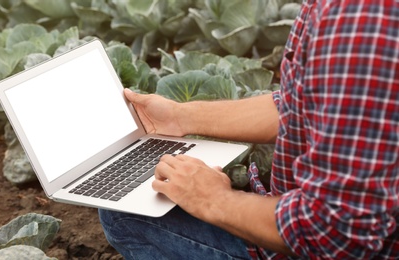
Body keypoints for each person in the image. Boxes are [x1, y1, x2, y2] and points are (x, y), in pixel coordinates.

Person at [98, 0, 399, 259]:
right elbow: (294, 104)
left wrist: (215, 200)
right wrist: (180, 117)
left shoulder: (359, 17)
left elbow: (335, 230)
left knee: (124, 217)